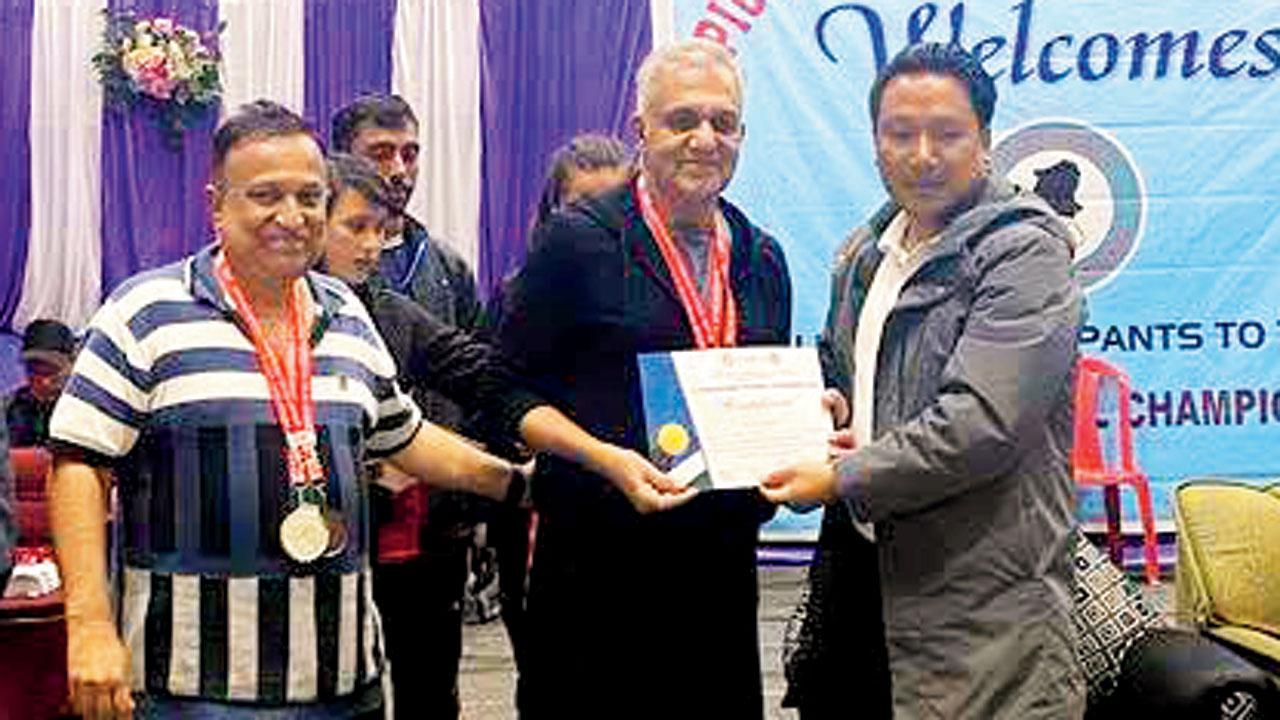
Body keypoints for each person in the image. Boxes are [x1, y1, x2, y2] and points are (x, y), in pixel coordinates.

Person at [47, 100, 526, 720]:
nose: (291, 216)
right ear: (216, 204)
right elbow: (79, 467)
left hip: (343, 688)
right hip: (189, 691)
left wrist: (519, 486)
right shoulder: (144, 313)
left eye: (309, 196)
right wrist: (87, 625)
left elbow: (405, 436)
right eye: (265, 195)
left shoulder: (346, 314)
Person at [762, 43, 1086, 718]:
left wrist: (841, 478)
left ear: (986, 141)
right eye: (899, 133)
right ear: (876, 142)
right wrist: (830, 411)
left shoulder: (1025, 252)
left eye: (947, 133)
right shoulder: (865, 253)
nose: (922, 154)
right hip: (863, 578)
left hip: (980, 598)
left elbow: (982, 424)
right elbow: (860, 379)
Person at [320, 152, 685, 715]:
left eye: (380, 230)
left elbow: (483, 376)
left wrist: (571, 438)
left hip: (419, 539)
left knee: (427, 687)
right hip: (314, 552)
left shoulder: (389, 312)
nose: (371, 246)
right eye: (355, 228)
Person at [497, 39, 792, 718]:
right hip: (596, 572)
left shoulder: (760, 256)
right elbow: (503, 389)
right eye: (682, 120)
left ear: (742, 135)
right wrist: (603, 459)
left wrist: (803, 415)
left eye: (723, 122)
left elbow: (757, 391)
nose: (703, 139)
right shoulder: (578, 242)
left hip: (717, 574)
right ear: (642, 132)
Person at [330, 94, 485, 719]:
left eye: (410, 153)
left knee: (430, 687)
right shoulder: (303, 292)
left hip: (435, 520)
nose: (399, 168)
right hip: (345, 524)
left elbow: (477, 371)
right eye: (381, 153)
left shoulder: (445, 267)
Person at [482, 132, 633, 683]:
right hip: (547, 507)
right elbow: (497, 392)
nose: (601, 221)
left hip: (630, 512)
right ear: (552, 214)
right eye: (581, 208)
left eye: (614, 202)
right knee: (551, 670)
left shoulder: (653, 293)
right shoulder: (520, 291)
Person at [6, 319, 77, 447]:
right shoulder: (8, 409)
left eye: (53, 372)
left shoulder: (89, 412)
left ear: (72, 364)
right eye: (34, 371)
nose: (44, 382)